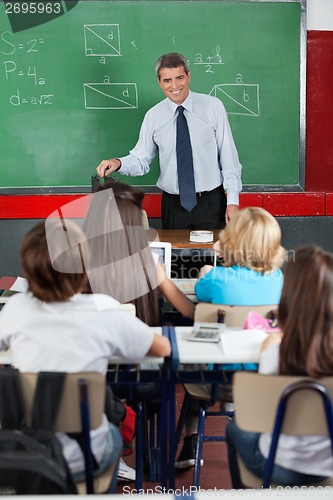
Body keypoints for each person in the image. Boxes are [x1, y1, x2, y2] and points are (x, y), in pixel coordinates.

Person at [0, 219, 171, 487]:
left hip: (32, 452)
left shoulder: (16, 308)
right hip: (87, 455)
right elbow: (162, 348)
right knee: (115, 426)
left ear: (29, 266)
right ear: (84, 268)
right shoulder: (104, 308)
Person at [175, 207, 286, 469]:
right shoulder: (279, 278)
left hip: (216, 380)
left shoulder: (219, 278)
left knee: (197, 363)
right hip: (264, 377)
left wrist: (207, 269)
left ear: (231, 242)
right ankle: (240, 414)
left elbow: (202, 292)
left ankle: (191, 438)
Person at [96, 52, 242, 230]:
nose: (174, 86)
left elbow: (228, 158)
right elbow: (141, 160)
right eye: (167, 80)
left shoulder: (213, 107)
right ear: (159, 82)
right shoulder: (154, 116)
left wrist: (233, 201)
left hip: (211, 203)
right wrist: (118, 163)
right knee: (175, 258)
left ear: (188, 76)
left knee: (214, 257)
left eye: (179, 78)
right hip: (173, 206)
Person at [226, 245, 333, 487]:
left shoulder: (275, 351)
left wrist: (270, 343)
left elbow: (257, 412)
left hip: (278, 464)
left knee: (234, 429)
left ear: (288, 296)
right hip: (329, 466)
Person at [83, 180, 195, 325]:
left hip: (93, 344)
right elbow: (189, 311)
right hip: (141, 342)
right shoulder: (149, 264)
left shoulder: (77, 263)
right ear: (134, 221)